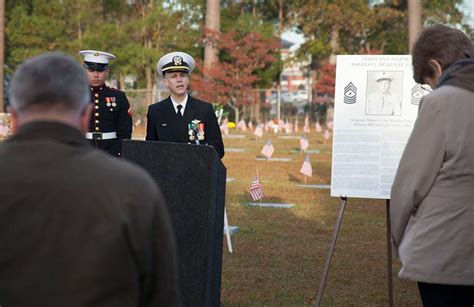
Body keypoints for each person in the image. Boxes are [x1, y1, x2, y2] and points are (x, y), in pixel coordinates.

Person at [0, 53, 181, 306]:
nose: (96, 73)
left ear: (13, 118)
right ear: (85, 115)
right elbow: (161, 295)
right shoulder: (134, 189)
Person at [390, 24, 474, 306]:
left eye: (428, 82)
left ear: (435, 68)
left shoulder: (441, 101)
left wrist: (401, 240)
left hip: (445, 251)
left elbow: (410, 185)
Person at [146, 51, 224, 159]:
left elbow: (218, 148)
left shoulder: (204, 109)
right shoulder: (156, 111)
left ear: (188, 79)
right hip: (167, 172)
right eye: (174, 76)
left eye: (182, 75)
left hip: (197, 171)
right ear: (166, 82)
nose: (179, 80)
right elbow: (149, 149)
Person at [80, 50, 132, 157]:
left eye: (100, 70)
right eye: (91, 70)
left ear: (107, 72)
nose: (95, 75)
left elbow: (125, 132)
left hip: (111, 152)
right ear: (84, 71)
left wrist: (114, 153)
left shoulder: (118, 97)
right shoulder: (76, 96)